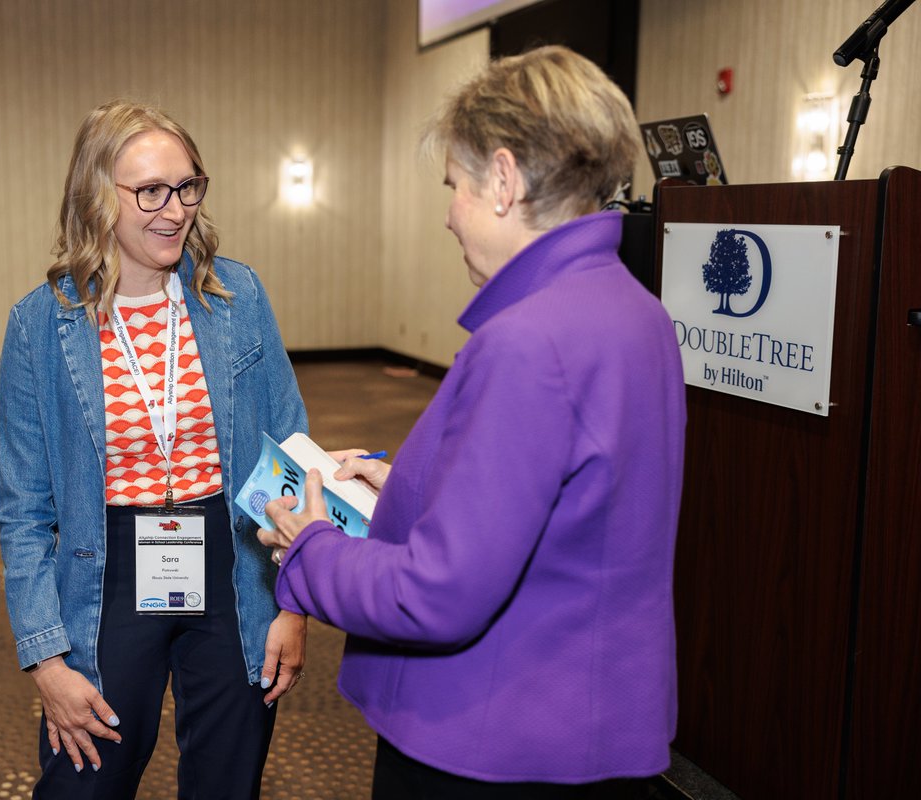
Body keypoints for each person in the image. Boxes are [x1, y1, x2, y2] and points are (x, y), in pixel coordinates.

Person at [259, 46, 686, 798]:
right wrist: (403, 486)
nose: (447, 212)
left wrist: (311, 546)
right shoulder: (635, 311)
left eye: (453, 185)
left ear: (503, 179)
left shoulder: (528, 342)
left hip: (491, 739)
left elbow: (437, 594)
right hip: (584, 721)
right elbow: (574, 504)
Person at [0, 100, 308, 799]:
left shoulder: (237, 294)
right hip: (106, 570)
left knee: (228, 781)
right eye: (150, 191)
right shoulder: (40, 325)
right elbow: (23, 512)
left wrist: (294, 601)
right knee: (86, 781)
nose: (176, 210)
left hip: (236, 562)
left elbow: (290, 451)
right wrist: (47, 661)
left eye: (188, 185)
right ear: (96, 196)